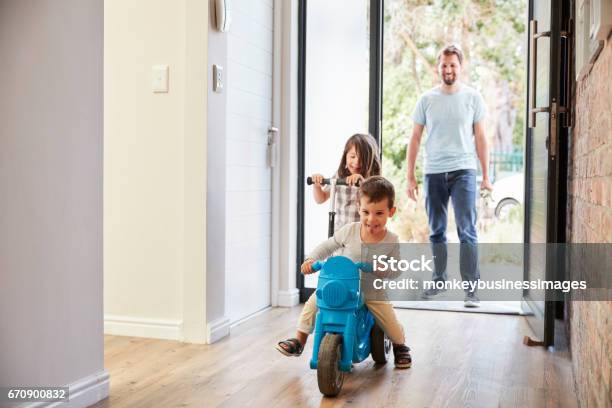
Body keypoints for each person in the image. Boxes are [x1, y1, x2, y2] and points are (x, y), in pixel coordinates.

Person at [276, 176, 412, 369]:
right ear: (359, 208)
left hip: (371, 291)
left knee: (389, 321)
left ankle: (400, 346)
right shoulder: (349, 231)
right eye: (366, 212)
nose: (371, 219)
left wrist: (384, 270)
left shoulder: (391, 240)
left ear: (391, 212)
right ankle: (299, 340)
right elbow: (328, 246)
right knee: (314, 303)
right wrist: (311, 260)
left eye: (379, 213)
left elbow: (397, 269)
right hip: (342, 286)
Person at [405, 44, 492, 308]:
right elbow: (415, 138)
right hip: (433, 172)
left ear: (460, 67)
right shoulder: (427, 99)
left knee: (467, 230)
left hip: (464, 171)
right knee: (437, 231)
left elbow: (481, 137)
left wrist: (486, 176)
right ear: (438, 66)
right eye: (444, 64)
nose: (448, 69)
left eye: (453, 65)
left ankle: (471, 289)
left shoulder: (473, 98)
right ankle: (439, 279)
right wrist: (410, 176)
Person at [310, 133, 381, 232]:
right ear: (345, 157)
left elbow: (376, 203)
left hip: (362, 234)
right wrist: (316, 186)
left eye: (362, 158)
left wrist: (362, 183)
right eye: (352, 156)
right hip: (340, 233)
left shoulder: (372, 181)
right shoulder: (339, 176)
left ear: (370, 160)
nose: (357, 162)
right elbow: (321, 199)